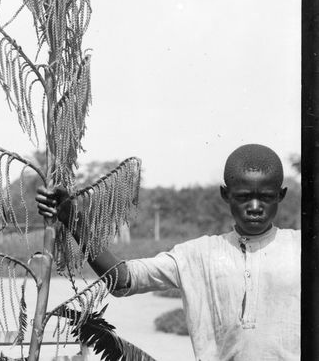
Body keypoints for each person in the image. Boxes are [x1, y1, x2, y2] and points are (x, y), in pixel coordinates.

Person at [36, 143, 300, 360]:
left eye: (266, 197)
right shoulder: (198, 255)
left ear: (281, 195)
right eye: (243, 197)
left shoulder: (302, 249)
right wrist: (73, 220)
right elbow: (122, 280)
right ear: (225, 194)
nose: (254, 206)